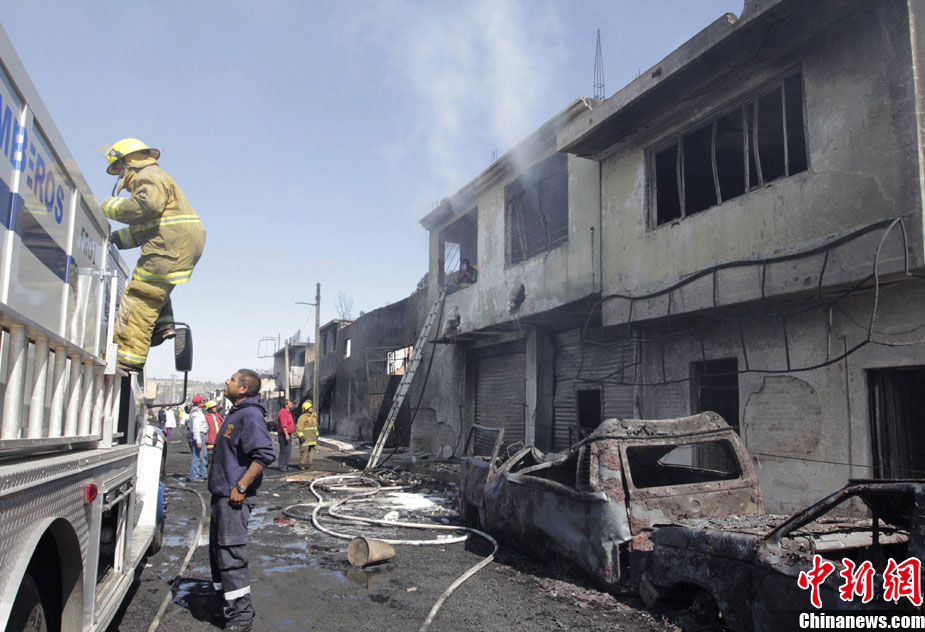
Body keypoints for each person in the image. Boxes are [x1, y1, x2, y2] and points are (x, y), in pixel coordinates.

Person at [100, 138, 206, 372]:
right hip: (178, 243)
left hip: (170, 246)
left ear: (127, 161)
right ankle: (162, 325)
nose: (119, 175)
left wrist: (108, 207)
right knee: (153, 286)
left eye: (118, 168)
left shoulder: (147, 177)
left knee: (139, 297)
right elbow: (150, 228)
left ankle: (128, 359)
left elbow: (144, 208)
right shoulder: (159, 177)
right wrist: (117, 238)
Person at [208, 369, 275, 632]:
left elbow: (264, 454)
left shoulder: (250, 415)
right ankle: (229, 606)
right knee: (218, 554)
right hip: (222, 496)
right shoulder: (235, 413)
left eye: (233, 379)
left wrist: (241, 485)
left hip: (233, 498)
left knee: (231, 554)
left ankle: (241, 617)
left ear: (244, 388)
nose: (227, 381)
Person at [188, 396, 208, 481]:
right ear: (199, 403)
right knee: (197, 456)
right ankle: (194, 476)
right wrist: (198, 440)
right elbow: (195, 428)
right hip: (199, 435)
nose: (204, 403)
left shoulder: (199, 412)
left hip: (202, 435)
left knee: (203, 456)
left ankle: (202, 474)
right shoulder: (195, 414)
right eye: (203, 401)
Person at [296, 400, 318, 470]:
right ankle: (302, 464)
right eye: (310, 407)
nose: (312, 408)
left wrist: (317, 434)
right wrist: (301, 436)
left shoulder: (313, 417)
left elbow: (315, 427)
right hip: (305, 438)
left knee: (310, 452)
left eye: (312, 407)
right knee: (304, 452)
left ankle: (308, 464)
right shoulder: (302, 417)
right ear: (306, 409)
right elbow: (299, 428)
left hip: (312, 438)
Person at [205, 400, 225, 470]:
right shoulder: (207, 417)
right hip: (211, 442)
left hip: (219, 440)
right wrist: (206, 438)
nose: (215, 408)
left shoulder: (218, 416)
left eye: (215, 407)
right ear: (209, 409)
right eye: (213, 407)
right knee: (210, 459)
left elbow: (223, 425)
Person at [276, 399, 295, 471]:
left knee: (288, 451)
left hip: (288, 434)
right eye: (290, 403)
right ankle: (282, 466)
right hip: (283, 434)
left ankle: (285, 465)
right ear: (286, 405)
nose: (291, 404)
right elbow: (283, 425)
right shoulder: (283, 412)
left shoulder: (288, 413)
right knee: (284, 450)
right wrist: (286, 434)